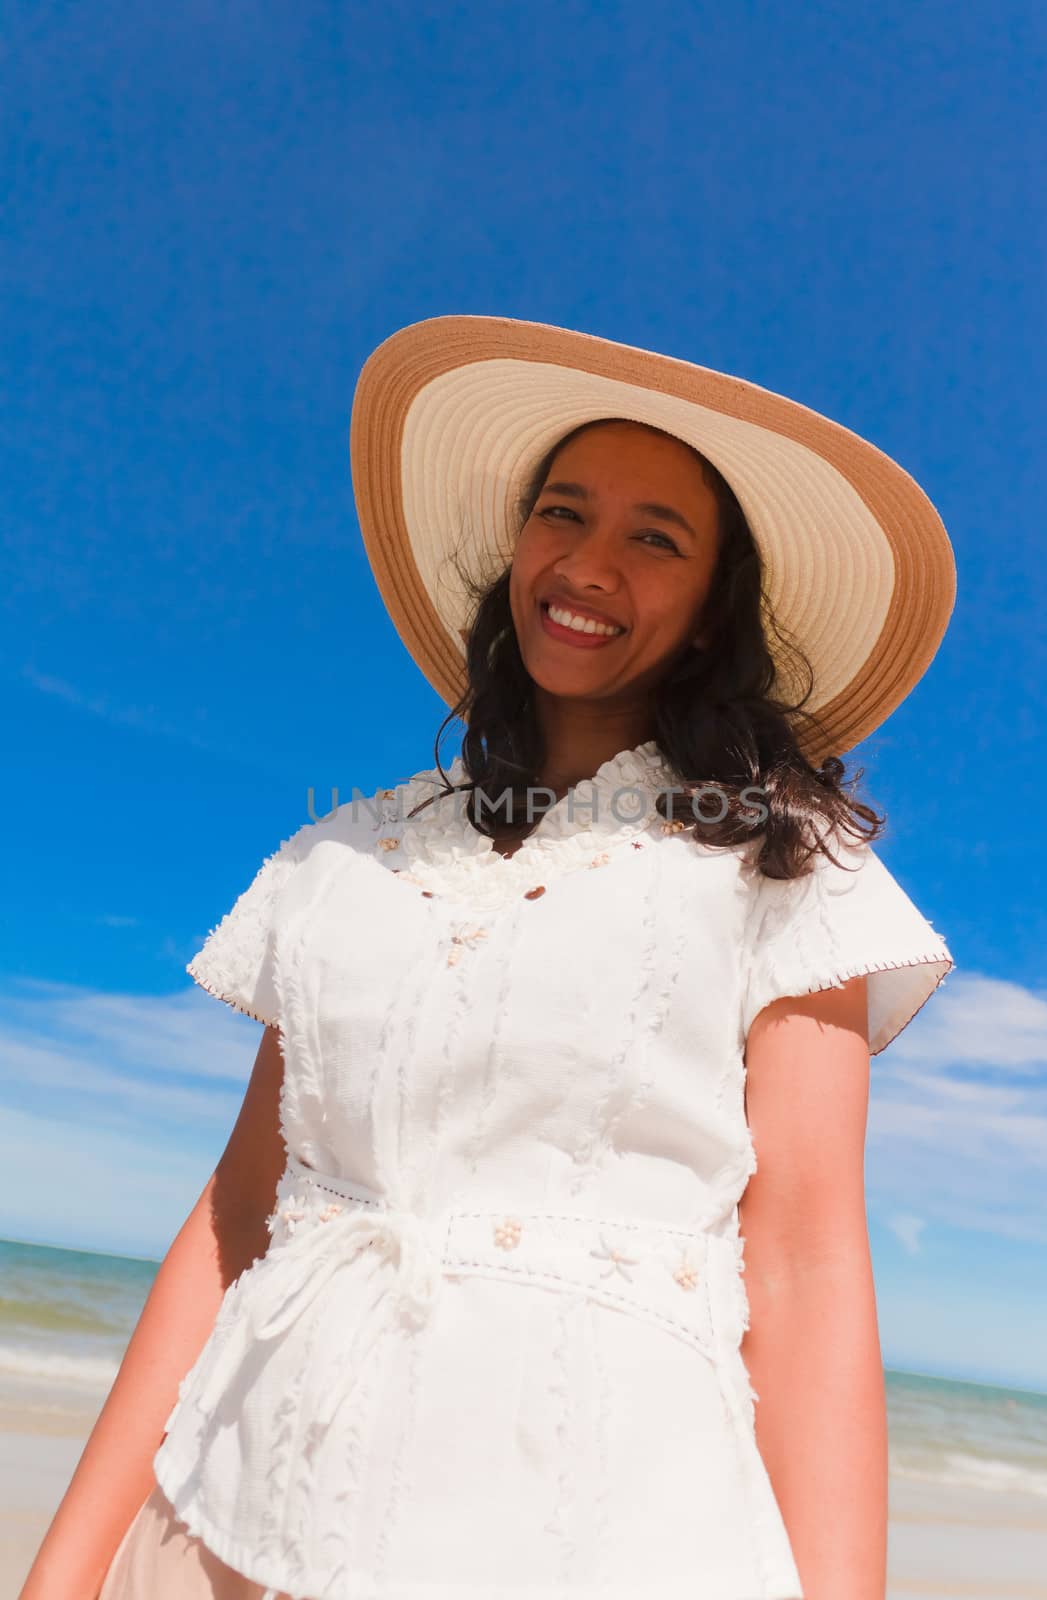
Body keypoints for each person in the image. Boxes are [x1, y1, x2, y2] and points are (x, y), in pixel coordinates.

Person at [21, 315, 956, 1600]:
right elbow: (243, 1211)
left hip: (598, 1547)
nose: (586, 561)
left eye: (654, 536)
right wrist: (63, 1571)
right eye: (560, 512)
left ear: (708, 610)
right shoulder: (343, 853)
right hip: (213, 1521)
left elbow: (803, 1269)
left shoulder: (791, 868)